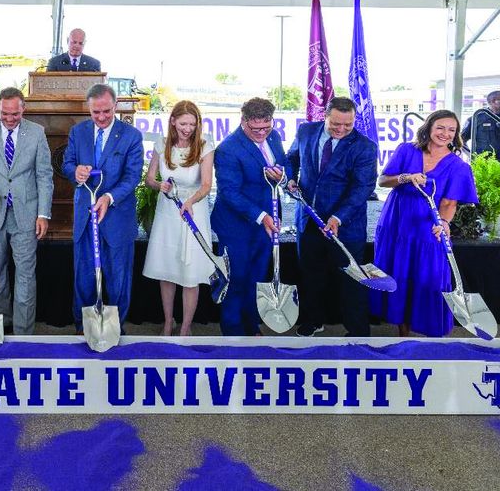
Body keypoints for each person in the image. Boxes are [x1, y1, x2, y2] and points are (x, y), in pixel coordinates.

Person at [372, 109, 478, 337]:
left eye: (452, 130)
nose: (445, 133)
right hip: (396, 222)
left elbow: (449, 203)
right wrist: (405, 178)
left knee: (426, 275)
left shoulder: (459, 167)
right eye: (440, 127)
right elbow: (382, 181)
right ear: (429, 127)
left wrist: (445, 223)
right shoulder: (406, 150)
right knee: (398, 272)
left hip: (428, 227)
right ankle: (402, 333)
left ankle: (428, 332)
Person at [285, 96, 378, 337]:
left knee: (351, 281)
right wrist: (291, 179)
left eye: (348, 125)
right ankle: (312, 321)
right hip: (308, 221)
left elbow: (363, 188)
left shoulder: (365, 146)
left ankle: (358, 332)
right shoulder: (306, 131)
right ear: (325, 116)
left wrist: (338, 217)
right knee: (310, 276)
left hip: (345, 226)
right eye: (336, 124)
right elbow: (291, 158)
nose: (341, 130)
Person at [0, 87, 54, 335]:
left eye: (15, 114)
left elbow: (44, 175)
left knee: (25, 276)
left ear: (23, 109)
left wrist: (43, 213)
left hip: (26, 215)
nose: (9, 119)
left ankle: (23, 334)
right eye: (5, 114)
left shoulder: (37, 133)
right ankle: (1, 323)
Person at [62, 83, 143, 330]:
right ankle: (83, 327)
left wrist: (108, 197)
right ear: (88, 108)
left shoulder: (131, 136)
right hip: (85, 217)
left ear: (115, 106)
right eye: (95, 112)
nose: (101, 117)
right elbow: (67, 164)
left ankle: (115, 327)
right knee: (84, 277)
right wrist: (75, 171)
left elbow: (132, 177)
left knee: (118, 278)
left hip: (118, 217)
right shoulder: (78, 132)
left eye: (106, 111)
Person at [211, 97, 287, 336]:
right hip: (236, 226)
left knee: (256, 278)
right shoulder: (228, 149)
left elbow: (285, 164)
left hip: (265, 224)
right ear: (243, 121)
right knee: (236, 280)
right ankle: (233, 335)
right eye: (256, 129)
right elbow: (230, 193)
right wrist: (262, 215)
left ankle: (251, 326)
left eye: (267, 127)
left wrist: (283, 176)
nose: (262, 133)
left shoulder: (272, 136)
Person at [142, 100, 215, 336]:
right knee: (167, 270)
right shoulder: (161, 144)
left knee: (190, 274)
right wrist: (158, 184)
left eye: (192, 124)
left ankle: (185, 327)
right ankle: (167, 322)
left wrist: (190, 202)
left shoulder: (205, 145)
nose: (187, 129)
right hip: (168, 213)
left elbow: (206, 185)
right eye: (183, 123)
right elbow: (149, 179)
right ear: (173, 121)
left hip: (193, 211)